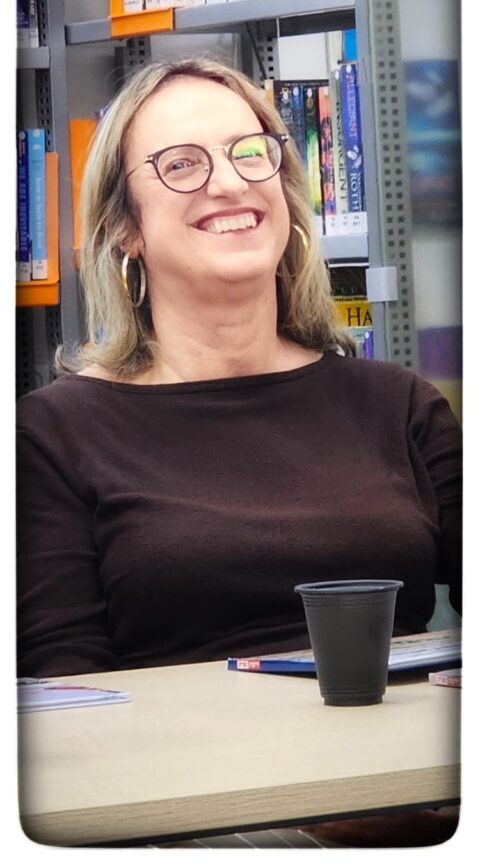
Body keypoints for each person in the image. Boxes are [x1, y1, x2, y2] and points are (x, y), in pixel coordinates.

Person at [17, 58, 461, 846]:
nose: (228, 183)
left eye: (250, 153)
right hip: (200, 816)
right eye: (182, 164)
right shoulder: (54, 434)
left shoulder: (398, 405)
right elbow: (67, 696)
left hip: (418, 796)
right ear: (124, 227)